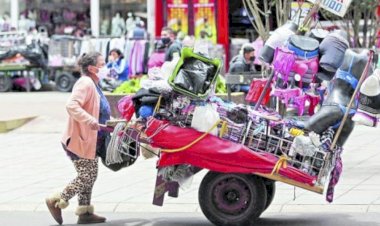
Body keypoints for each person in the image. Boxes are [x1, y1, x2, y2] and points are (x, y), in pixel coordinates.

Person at [45, 52, 110, 225]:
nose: (105, 67)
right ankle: (56, 200)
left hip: (90, 140)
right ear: (91, 68)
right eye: (102, 64)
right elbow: (71, 105)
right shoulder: (85, 82)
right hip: (78, 140)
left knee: (90, 174)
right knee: (86, 176)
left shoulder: (95, 83)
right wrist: (90, 120)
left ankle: (85, 212)